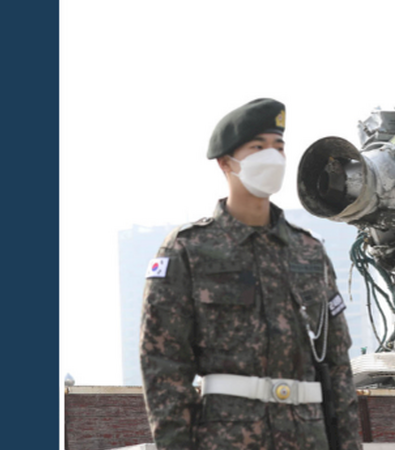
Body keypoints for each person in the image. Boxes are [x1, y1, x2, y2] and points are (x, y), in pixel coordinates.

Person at [140, 98, 361, 450]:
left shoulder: (309, 251)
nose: (272, 157)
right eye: (258, 147)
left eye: (279, 147)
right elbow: (164, 367)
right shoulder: (187, 250)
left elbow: (338, 367)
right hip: (229, 438)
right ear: (226, 162)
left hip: (308, 437)